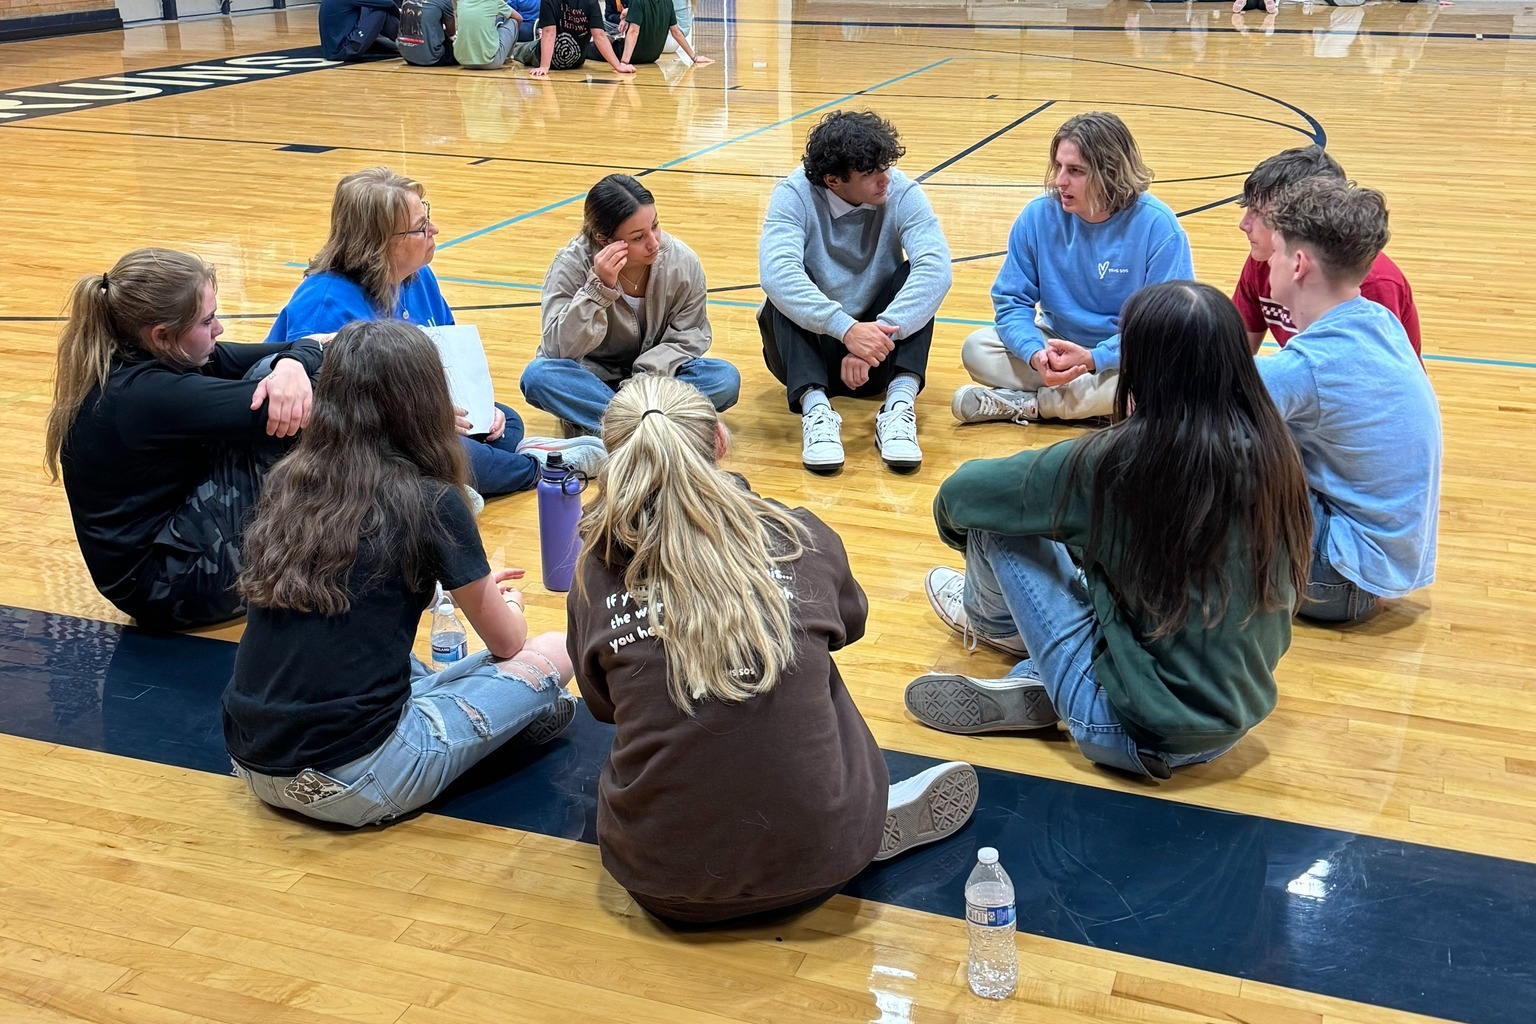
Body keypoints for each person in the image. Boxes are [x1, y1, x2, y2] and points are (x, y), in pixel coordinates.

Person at [568, 375, 978, 926]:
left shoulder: (595, 570)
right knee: (803, 662)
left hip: (660, 886)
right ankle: (840, 813)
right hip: (827, 867)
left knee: (664, 701)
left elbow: (603, 707)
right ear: (719, 442)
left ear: (618, 457)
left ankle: (715, 816)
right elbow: (848, 625)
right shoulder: (798, 533)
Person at [906, 281, 1312, 779]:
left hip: (1127, 728)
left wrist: (968, 543)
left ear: (1141, 369)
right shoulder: (1277, 448)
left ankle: (998, 629)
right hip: (1235, 719)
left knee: (999, 522)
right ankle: (1042, 676)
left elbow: (961, 494)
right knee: (1111, 557)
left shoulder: (1118, 459)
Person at [222, 320, 577, 828]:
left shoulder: (290, 481)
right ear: (426, 400)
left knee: (398, 665)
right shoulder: (431, 498)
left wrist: (454, 587)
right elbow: (506, 642)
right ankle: (513, 717)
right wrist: (510, 605)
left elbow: (358, 592)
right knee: (553, 650)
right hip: (358, 779)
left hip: (251, 760)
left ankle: (507, 717)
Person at [268, 167, 604, 498]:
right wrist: (433, 421)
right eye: (420, 228)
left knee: (504, 423)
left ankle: (452, 486)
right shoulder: (325, 304)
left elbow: (449, 360)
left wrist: (479, 407)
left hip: (419, 417)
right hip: (363, 438)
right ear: (380, 244)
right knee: (447, 450)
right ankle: (539, 469)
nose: (435, 230)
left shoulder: (418, 276)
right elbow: (338, 418)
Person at [45, 248, 323, 632]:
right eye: (207, 320)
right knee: (289, 398)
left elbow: (299, 348)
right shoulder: (143, 396)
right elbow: (282, 406)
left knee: (278, 374)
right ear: (161, 336)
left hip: (165, 568)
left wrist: (294, 360)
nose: (219, 329)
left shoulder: (156, 355)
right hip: (169, 590)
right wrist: (299, 365)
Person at [1255, 178, 1440, 623]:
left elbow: (1189, 420)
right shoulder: (1378, 321)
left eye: (1275, 251)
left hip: (1338, 580)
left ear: (1298, 264)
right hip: (1386, 564)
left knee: (1198, 455)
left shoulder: (1309, 366)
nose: (1266, 263)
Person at [953, 112, 1192, 426]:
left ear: (1111, 173)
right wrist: (1035, 354)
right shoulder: (1038, 215)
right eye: (1059, 167)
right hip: (1057, 344)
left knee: (1169, 375)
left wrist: (1095, 358)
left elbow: (1167, 328)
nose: (1059, 181)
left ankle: (1033, 406)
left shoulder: (1158, 226)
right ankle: (1098, 404)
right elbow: (1011, 301)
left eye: (1075, 171)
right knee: (977, 349)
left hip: (1127, 354)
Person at [758, 110, 952, 473]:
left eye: (886, 166)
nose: (885, 179)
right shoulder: (793, 195)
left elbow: (937, 268)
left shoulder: (902, 191)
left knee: (918, 277)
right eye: (871, 174)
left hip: (878, 354)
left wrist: (875, 336)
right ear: (833, 180)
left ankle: (898, 405)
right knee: (782, 290)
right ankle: (816, 411)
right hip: (811, 353)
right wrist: (846, 329)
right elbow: (776, 272)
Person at [520, 174, 740, 437]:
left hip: (658, 379)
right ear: (605, 240)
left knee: (724, 379)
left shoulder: (682, 262)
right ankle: (653, 429)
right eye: (638, 237)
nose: (654, 243)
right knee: (538, 377)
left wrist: (638, 385)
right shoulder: (571, 265)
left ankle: (608, 426)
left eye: (655, 225)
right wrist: (596, 291)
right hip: (593, 379)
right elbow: (556, 351)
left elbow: (688, 337)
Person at [1234, 145, 1422, 359]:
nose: (1244, 224)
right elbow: (1234, 359)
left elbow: (1369, 381)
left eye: (1258, 213)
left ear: (1296, 219)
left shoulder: (1374, 283)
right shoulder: (1264, 261)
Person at [511, 0, 635, 75]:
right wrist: (544, 66)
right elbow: (549, 33)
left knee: (522, 48)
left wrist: (618, 66)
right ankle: (512, 50)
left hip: (573, 61)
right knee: (519, 50)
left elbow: (600, 36)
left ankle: (512, 49)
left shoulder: (591, 2)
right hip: (545, 56)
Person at [608, 0, 711, 66]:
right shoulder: (668, 3)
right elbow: (676, 32)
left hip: (663, 39)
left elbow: (634, 31)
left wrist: (624, 63)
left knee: (602, 41)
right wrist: (694, 57)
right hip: (658, 50)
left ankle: (612, 40)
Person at [318, 0, 401, 60]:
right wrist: (401, 16)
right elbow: (389, 4)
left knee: (373, 7)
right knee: (381, 11)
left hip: (332, 50)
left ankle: (405, 39)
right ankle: (408, 40)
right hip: (344, 50)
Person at [452, 0, 519, 69]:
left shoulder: (460, 2)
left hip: (463, 61)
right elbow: (519, 18)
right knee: (513, 21)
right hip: (490, 62)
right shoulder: (495, 1)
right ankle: (507, 57)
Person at [398, 0, 457, 66]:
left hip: (406, 55)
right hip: (432, 57)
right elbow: (451, 32)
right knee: (463, 49)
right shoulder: (444, 1)